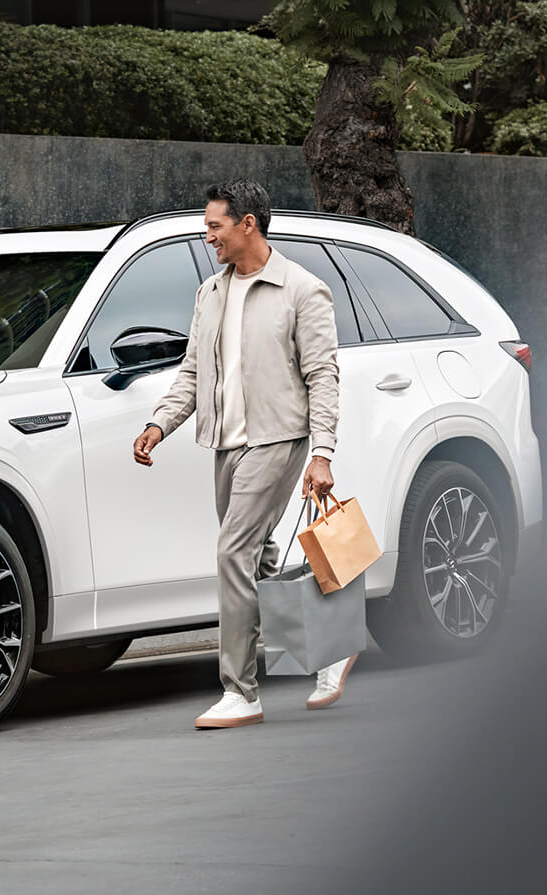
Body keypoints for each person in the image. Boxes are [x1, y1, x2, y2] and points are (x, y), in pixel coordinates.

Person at [132, 180, 357, 729]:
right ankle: (330, 646)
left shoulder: (302, 290)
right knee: (255, 558)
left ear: (247, 223)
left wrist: (321, 453)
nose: (207, 235)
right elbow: (192, 372)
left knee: (233, 550)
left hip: (277, 438)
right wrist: (159, 423)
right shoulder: (210, 292)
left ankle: (241, 690)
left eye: (215, 226)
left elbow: (322, 376)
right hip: (226, 443)